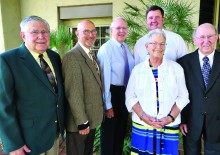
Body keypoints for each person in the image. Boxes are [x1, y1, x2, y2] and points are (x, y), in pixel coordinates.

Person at [0, 15, 65, 155]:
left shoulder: (54, 57)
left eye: (45, 32)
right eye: (34, 32)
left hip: (53, 133)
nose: (41, 36)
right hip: (28, 140)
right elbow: (3, 107)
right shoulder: (7, 60)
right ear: (23, 35)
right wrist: (13, 144)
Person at [126, 29, 189, 155]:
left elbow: (183, 96)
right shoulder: (137, 70)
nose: (158, 47)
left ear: (165, 47)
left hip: (168, 126)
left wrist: (170, 118)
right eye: (154, 43)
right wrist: (143, 117)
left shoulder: (176, 69)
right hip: (142, 125)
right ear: (147, 46)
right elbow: (130, 97)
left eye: (162, 44)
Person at [62, 19, 104, 155]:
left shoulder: (90, 54)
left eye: (93, 31)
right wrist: (82, 122)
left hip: (91, 118)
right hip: (80, 123)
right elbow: (73, 93)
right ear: (77, 33)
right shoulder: (72, 57)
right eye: (86, 31)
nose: (91, 35)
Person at [178, 23, 220, 155]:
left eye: (210, 36)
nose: (206, 41)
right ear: (195, 40)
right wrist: (182, 119)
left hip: (217, 123)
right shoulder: (183, 63)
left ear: (217, 37)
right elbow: (180, 94)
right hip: (191, 122)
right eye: (201, 37)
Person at [97, 17, 135, 155]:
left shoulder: (126, 47)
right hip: (112, 94)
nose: (121, 31)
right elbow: (104, 79)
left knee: (119, 133)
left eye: (124, 28)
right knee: (109, 136)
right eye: (118, 28)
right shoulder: (106, 49)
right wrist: (108, 105)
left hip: (124, 94)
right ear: (111, 30)